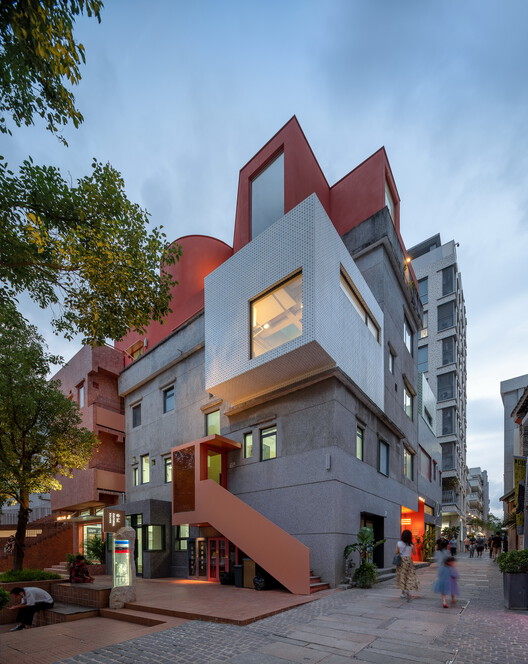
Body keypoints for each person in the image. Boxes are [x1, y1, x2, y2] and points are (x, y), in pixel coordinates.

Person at [395, 529, 419, 602]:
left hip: (401, 561)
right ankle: (407, 591)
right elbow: (414, 553)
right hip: (409, 561)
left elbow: (396, 552)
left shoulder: (399, 543)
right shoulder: (411, 544)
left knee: (402, 575)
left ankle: (403, 592)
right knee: (409, 575)